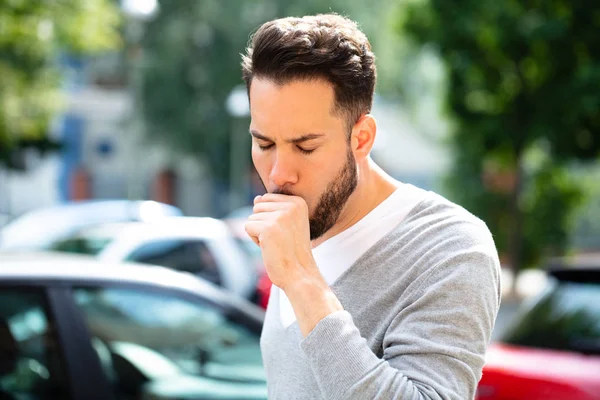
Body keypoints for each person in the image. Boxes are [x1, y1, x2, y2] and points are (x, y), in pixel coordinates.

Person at [242, 13, 501, 400]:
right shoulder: (304, 220)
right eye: (264, 144)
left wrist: (303, 281)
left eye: (306, 147)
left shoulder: (452, 248)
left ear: (361, 138)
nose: (279, 173)